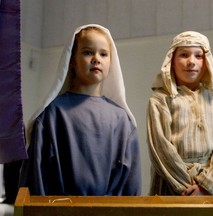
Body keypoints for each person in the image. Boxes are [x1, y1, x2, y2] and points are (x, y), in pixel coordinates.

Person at [19, 24, 141, 196]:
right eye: (88, 52)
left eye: (103, 54)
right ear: (72, 61)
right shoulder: (52, 114)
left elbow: (131, 185)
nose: (96, 58)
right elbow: (36, 179)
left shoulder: (123, 120)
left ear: (111, 62)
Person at [147, 31, 213, 196]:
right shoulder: (160, 100)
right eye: (184, 55)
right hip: (171, 187)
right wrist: (185, 187)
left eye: (198, 56)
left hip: (209, 191)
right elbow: (160, 148)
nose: (191, 62)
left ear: (207, 61)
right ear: (172, 61)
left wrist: (206, 186)